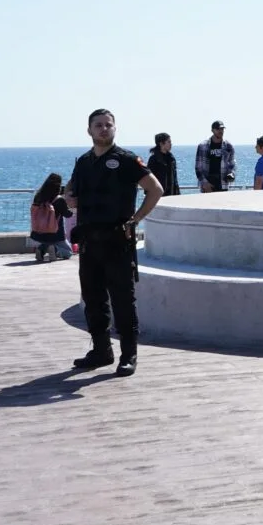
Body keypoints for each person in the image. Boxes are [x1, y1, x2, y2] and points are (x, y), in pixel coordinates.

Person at [65, 109, 164, 376]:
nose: (104, 129)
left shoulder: (127, 160)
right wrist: (69, 198)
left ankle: (129, 355)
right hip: (89, 243)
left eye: (108, 125)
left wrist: (136, 219)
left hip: (117, 241)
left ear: (115, 129)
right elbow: (70, 190)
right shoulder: (83, 162)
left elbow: (155, 190)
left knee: (123, 300)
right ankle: (101, 351)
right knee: (93, 299)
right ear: (89, 131)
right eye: (98, 125)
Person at [29, 173, 64, 263]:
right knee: (68, 253)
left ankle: (43, 248)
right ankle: (53, 248)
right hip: (53, 230)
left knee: (48, 239)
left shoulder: (38, 196)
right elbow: (67, 213)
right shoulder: (57, 198)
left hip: (39, 229)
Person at [196, 121, 235, 193]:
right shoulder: (202, 146)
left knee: (223, 204)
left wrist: (231, 174)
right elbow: (198, 168)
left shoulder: (228, 146)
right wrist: (205, 183)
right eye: (218, 129)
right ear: (212, 130)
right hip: (208, 186)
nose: (220, 131)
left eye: (222, 129)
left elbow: (232, 164)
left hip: (223, 185)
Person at [147, 133, 181, 198]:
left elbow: (174, 178)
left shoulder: (171, 158)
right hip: (158, 196)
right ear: (161, 143)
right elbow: (149, 178)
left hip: (172, 195)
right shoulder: (154, 159)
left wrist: (177, 194)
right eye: (168, 142)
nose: (171, 144)